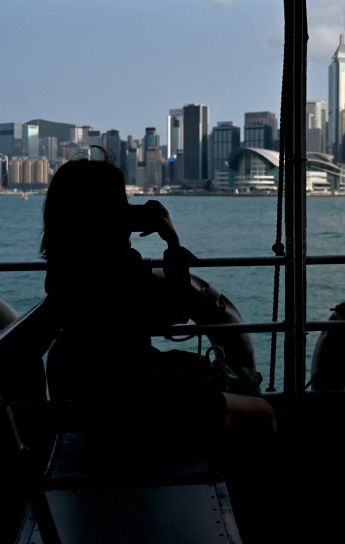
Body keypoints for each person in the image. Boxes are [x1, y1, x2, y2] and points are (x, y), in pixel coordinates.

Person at [37, 150, 278, 469]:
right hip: (136, 398)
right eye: (120, 201)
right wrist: (171, 239)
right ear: (109, 212)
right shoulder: (117, 268)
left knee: (201, 378)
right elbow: (174, 312)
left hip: (95, 392)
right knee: (264, 413)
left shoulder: (63, 268)